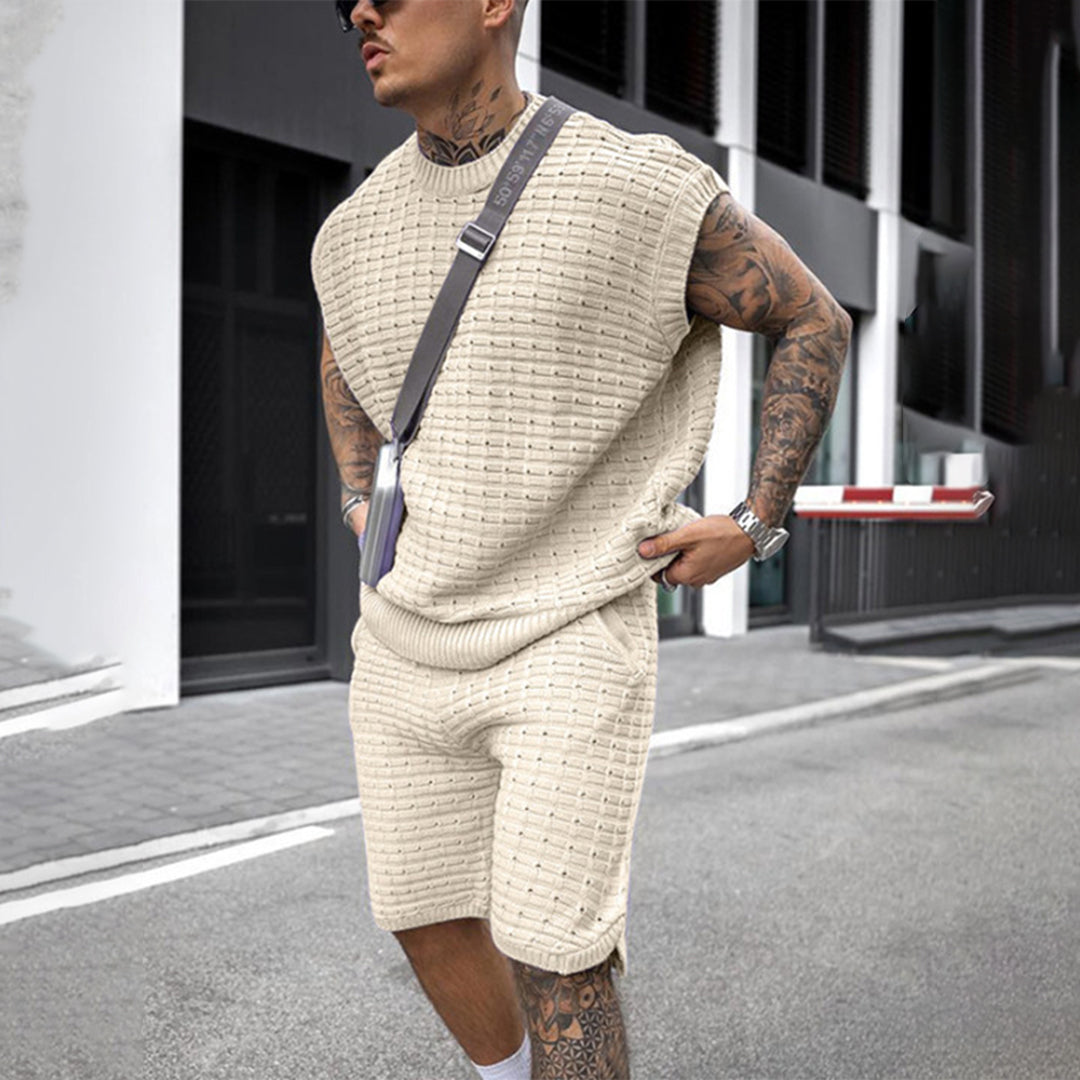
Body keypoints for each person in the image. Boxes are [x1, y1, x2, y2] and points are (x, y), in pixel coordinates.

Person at [313, 2, 853, 1077]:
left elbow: (814, 320)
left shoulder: (635, 187)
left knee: (558, 955)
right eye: (342, 2)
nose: (360, 11)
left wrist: (755, 521)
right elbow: (343, 366)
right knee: (422, 914)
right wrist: (357, 498)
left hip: (572, 631)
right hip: (404, 642)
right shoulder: (349, 231)